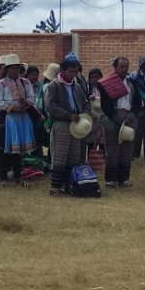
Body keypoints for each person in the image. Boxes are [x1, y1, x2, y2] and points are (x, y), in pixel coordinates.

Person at [45, 59, 90, 195]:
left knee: (73, 156)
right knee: (60, 156)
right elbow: (50, 106)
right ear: (62, 71)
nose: (73, 74)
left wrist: (85, 115)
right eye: (70, 71)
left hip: (76, 125)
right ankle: (56, 186)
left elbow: (86, 103)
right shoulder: (54, 86)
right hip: (62, 124)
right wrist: (68, 115)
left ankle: (68, 185)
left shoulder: (76, 86)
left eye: (75, 72)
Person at [0, 54, 36, 182]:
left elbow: (32, 98)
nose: (14, 71)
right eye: (12, 68)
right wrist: (12, 107)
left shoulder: (25, 82)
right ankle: (3, 173)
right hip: (10, 118)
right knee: (8, 147)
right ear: (7, 69)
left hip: (22, 117)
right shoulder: (2, 84)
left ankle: (18, 172)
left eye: (17, 68)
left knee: (20, 148)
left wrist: (26, 103)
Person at [98, 57, 138, 188]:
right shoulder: (107, 82)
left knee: (127, 150)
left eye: (126, 66)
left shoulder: (132, 82)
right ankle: (111, 179)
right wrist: (116, 117)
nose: (124, 69)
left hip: (129, 117)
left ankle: (124, 179)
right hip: (113, 117)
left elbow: (137, 101)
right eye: (121, 67)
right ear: (115, 67)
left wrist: (132, 115)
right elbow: (105, 104)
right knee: (112, 150)